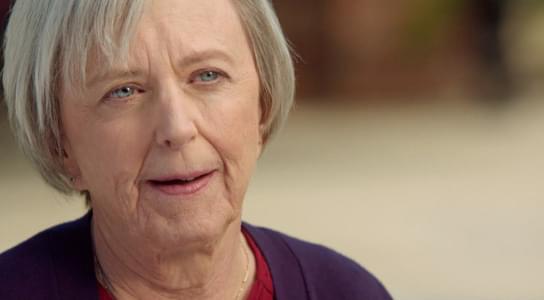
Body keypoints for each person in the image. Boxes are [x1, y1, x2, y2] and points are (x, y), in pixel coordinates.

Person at [0, 0, 393, 299]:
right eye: (123, 90)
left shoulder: (346, 291)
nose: (177, 128)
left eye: (208, 75)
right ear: (59, 140)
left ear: (263, 104)